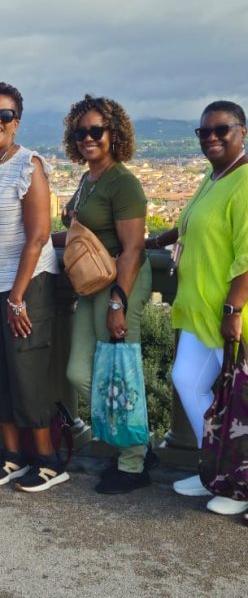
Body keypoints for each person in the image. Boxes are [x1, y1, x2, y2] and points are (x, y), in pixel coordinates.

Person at [147, 100, 248, 516]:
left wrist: (233, 310)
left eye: (220, 130)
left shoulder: (244, 182)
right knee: (191, 382)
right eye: (203, 132)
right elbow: (191, 223)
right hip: (198, 305)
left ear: (242, 131)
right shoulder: (214, 175)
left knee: (232, 398)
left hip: (227, 312)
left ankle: (239, 483)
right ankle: (216, 470)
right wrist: (154, 241)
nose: (211, 138)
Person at [0, 82, 66, 493]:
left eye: (5, 114)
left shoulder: (29, 165)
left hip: (27, 284)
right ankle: (11, 454)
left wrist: (18, 295)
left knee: (26, 369)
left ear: (16, 122)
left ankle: (46, 459)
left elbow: (39, 234)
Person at [56, 94, 152, 494]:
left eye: (96, 130)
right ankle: (131, 443)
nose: (88, 138)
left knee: (121, 370)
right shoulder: (88, 179)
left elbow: (133, 250)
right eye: (81, 132)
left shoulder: (123, 182)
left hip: (120, 283)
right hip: (91, 281)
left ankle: (133, 463)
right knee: (79, 372)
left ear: (114, 133)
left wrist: (119, 302)